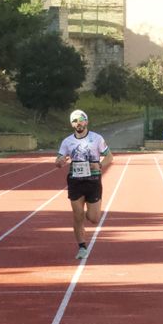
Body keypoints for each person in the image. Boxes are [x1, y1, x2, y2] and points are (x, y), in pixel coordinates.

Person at [55, 109, 112, 259]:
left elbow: (109, 157)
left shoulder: (97, 138)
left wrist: (99, 165)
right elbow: (58, 161)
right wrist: (60, 161)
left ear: (86, 121)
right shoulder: (67, 141)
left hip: (93, 181)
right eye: (75, 121)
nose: (78, 123)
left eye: (81, 120)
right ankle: (82, 247)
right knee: (77, 215)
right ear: (71, 124)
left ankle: (90, 212)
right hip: (75, 181)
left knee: (94, 218)